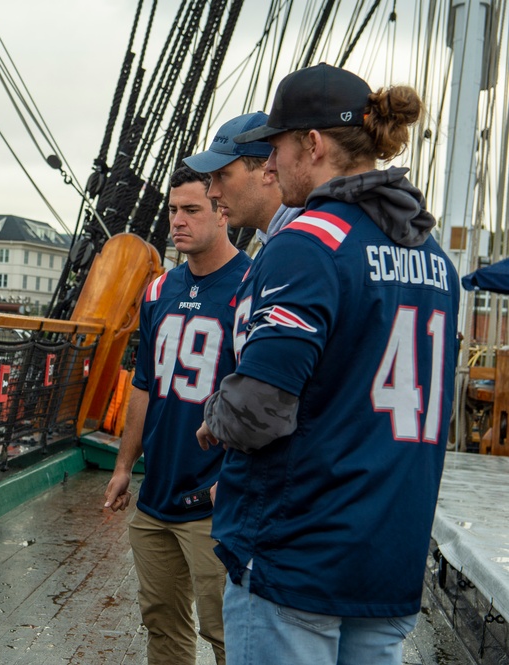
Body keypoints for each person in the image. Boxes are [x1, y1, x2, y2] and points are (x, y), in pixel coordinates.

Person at [196, 63, 459, 665]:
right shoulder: (436, 261)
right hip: (390, 553)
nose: (268, 167)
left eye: (277, 149)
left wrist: (217, 419)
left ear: (312, 145)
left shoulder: (308, 243)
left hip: (301, 551)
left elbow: (258, 408)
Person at [104, 166, 250, 665]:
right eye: (172, 210)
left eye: (192, 210)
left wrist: (233, 478)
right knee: (162, 626)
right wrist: (125, 468)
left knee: (228, 633)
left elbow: (263, 398)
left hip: (214, 498)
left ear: (222, 212)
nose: (177, 221)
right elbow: (143, 385)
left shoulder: (251, 287)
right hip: (155, 495)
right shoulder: (157, 290)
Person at [184, 111, 302, 246]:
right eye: (212, 179)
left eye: (222, 175)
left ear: (267, 172)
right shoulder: (282, 241)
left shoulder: (300, 247)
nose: (212, 193)